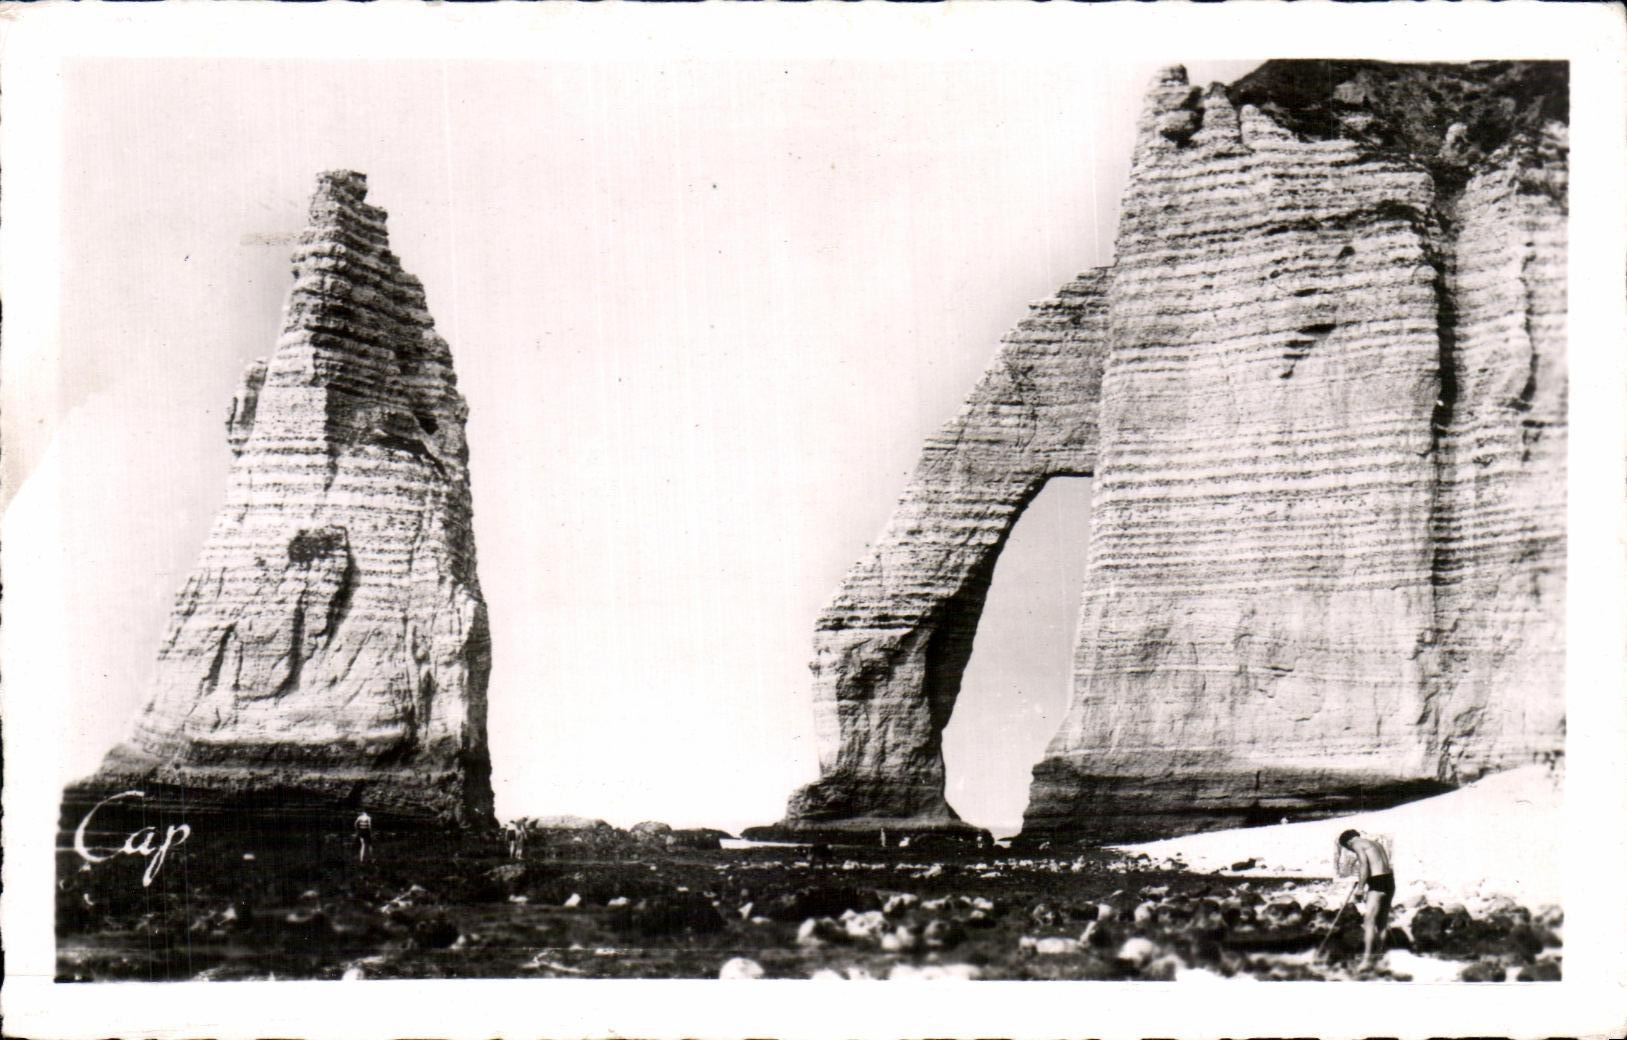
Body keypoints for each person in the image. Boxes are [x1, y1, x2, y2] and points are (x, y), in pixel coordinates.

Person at [1337, 828, 1393, 969]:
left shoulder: (1357, 844)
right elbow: (1380, 865)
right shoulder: (1376, 844)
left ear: (1348, 842)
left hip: (1377, 882)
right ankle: (1381, 957)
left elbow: (1364, 866)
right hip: (1389, 881)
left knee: (1369, 921)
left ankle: (1367, 961)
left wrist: (1360, 888)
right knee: (1381, 921)